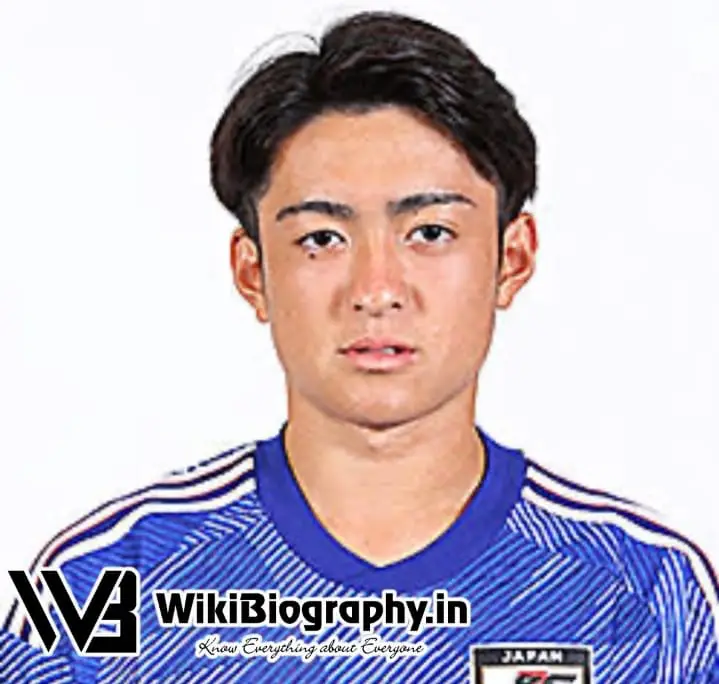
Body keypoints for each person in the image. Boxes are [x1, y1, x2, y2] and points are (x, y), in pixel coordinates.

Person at [1, 10, 716, 683]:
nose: (376, 289)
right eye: (321, 238)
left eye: (430, 233)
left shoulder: (650, 592)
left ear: (512, 258)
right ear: (252, 273)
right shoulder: (97, 585)